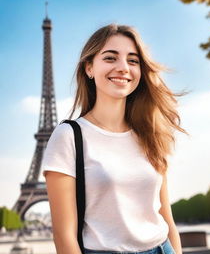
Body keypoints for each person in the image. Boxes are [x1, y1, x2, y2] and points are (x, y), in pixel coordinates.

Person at [42, 23, 188, 254]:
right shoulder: (69, 136)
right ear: (89, 68)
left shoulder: (151, 133)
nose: (123, 67)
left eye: (133, 60)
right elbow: (64, 236)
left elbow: (166, 218)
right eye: (110, 58)